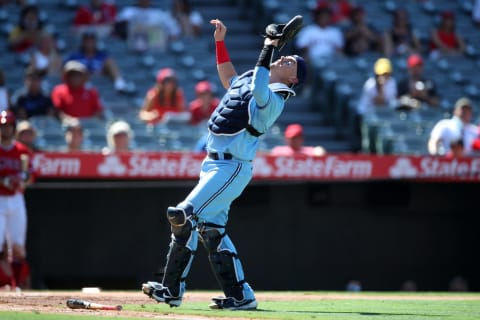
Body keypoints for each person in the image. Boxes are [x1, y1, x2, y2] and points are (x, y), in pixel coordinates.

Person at [141, 18, 307, 310]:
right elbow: (230, 79)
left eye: (291, 60)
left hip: (232, 168)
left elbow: (258, 85)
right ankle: (241, 295)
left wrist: (268, 46)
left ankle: (171, 289)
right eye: (284, 54)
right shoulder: (256, 77)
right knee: (211, 230)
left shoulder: (276, 98)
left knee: (182, 216)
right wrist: (220, 42)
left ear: (294, 78)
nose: (285, 57)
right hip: (212, 164)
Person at [0, 111, 34, 290]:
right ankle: (3, 283)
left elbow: (31, 175)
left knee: (18, 246)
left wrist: (23, 179)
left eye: (9, 126)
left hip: (16, 198)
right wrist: (4, 180)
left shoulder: (21, 150)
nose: (6, 130)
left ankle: (17, 284)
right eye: (3, 126)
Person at [115, 0, 180, 52]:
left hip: (156, 45)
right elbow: (117, 28)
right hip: (134, 45)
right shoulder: (128, 12)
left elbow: (174, 32)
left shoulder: (160, 14)